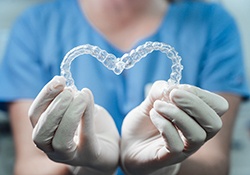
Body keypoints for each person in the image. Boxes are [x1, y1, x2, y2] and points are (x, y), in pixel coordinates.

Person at [0, 0, 249, 174]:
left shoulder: (213, 24)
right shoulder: (35, 27)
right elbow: (29, 167)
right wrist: (85, 167)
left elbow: (215, 163)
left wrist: (165, 167)